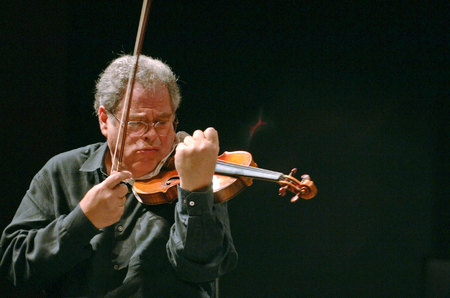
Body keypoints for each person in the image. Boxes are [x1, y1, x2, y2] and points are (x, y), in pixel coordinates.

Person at [0, 55, 238, 297]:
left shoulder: (194, 174)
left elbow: (205, 269)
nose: (151, 135)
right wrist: (82, 221)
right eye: (138, 123)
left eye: (162, 122)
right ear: (105, 120)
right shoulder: (62, 172)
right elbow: (16, 268)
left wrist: (195, 192)